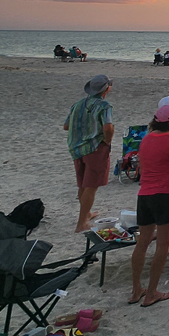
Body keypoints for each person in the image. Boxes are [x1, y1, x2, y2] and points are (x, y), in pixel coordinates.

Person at [129, 100, 169, 306]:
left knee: (143, 242)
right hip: (165, 194)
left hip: (145, 195)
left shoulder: (147, 139)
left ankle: (136, 289)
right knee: (162, 245)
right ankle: (151, 292)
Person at [64, 74, 114, 233]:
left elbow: (66, 126)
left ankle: (86, 214)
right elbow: (108, 127)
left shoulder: (77, 104)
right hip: (94, 148)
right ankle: (81, 223)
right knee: (91, 185)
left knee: (83, 183)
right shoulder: (104, 106)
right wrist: (107, 141)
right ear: (106, 89)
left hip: (76, 148)